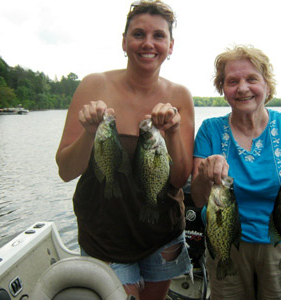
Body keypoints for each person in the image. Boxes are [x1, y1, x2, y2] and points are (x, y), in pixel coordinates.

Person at [55, 1, 195, 299]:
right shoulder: (94, 85)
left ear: (171, 46)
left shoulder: (180, 95)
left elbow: (180, 179)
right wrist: (90, 133)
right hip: (104, 234)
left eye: (158, 36)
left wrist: (171, 133)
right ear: (124, 41)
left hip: (163, 234)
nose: (148, 43)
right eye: (138, 34)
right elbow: (66, 171)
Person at [191, 45, 281, 300]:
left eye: (252, 79)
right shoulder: (209, 129)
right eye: (232, 81)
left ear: (266, 85)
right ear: (223, 88)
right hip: (225, 245)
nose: (242, 88)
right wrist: (203, 174)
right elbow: (198, 199)